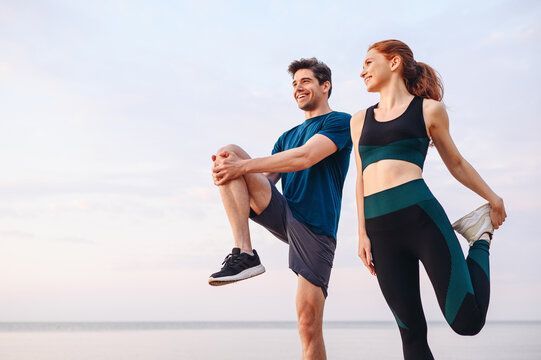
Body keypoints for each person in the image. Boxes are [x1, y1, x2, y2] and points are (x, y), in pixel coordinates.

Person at [350, 39, 507, 359]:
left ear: (393, 63)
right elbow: (360, 177)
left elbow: (457, 163)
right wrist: (362, 233)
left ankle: (479, 238)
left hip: (420, 218)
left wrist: (493, 198)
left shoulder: (428, 110)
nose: (361, 70)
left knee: (467, 321)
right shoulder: (358, 120)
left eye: (368, 62)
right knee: (411, 336)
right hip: (380, 231)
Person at [210, 57, 352, 359]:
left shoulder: (339, 122)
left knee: (308, 323)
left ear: (325, 86)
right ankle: (245, 253)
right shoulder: (285, 137)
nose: (298, 88)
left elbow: (304, 158)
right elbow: (266, 180)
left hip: (316, 227)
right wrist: (230, 173)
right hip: (284, 213)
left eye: (306, 82)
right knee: (228, 153)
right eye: (295, 84)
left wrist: (242, 167)